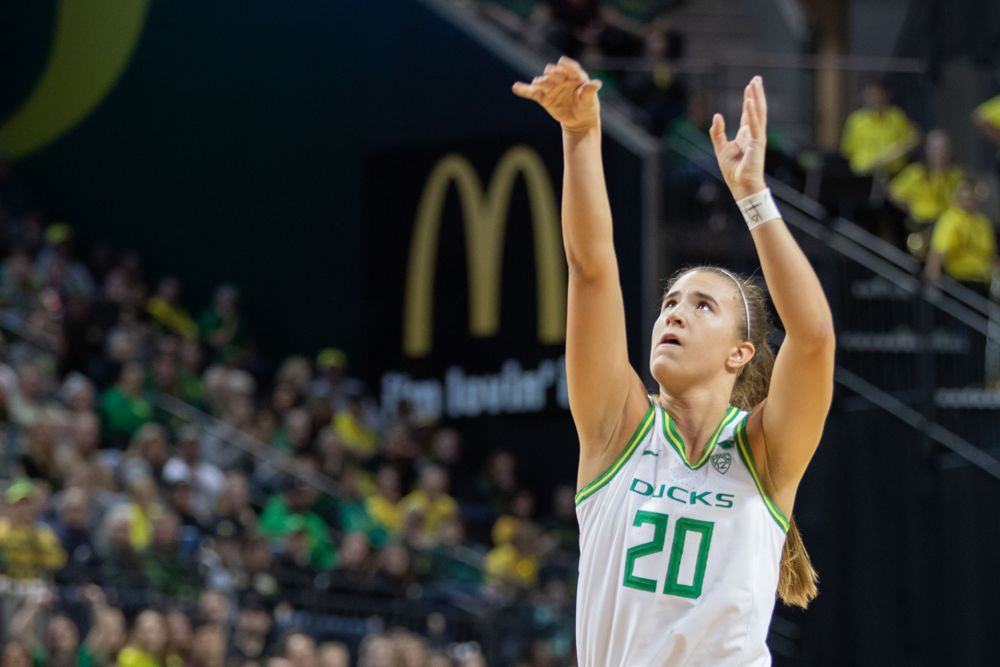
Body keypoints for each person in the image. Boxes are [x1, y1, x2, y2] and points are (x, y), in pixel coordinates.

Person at [513, 58, 834, 664]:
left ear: (740, 353)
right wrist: (580, 135)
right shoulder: (617, 432)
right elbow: (590, 268)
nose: (674, 314)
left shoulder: (764, 453)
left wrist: (753, 197)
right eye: (669, 302)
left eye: (702, 305)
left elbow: (813, 338)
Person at [924, 178, 998, 297]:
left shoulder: (982, 222)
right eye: (965, 199)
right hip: (959, 282)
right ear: (957, 199)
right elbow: (937, 253)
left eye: (972, 199)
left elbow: (990, 256)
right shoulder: (950, 220)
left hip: (982, 281)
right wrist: (933, 283)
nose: (969, 203)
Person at [840, 78, 918, 177]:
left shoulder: (897, 116)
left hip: (893, 175)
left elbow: (913, 141)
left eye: (879, 94)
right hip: (862, 175)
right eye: (871, 94)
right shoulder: (856, 120)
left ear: (887, 95)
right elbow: (847, 152)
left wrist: (894, 153)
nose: (875, 98)